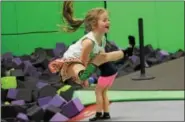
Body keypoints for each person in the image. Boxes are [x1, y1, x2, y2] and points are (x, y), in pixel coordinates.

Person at [48, 1, 131, 86]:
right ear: (94, 25)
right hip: (72, 62)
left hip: (88, 60)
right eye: (104, 20)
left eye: (108, 19)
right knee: (81, 72)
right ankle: (83, 78)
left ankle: (125, 52)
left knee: (104, 56)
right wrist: (86, 80)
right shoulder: (89, 42)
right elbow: (83, 62)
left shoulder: (102, 38)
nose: (108, 22)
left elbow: (102, 56)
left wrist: (107, 64)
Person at [89, 38, 135, 121]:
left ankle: (98, 114)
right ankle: (106, 114)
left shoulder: (96, 53)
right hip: (112, 72)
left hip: (107, 73)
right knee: (103, 92)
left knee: (98, 92)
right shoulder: (99, 50)